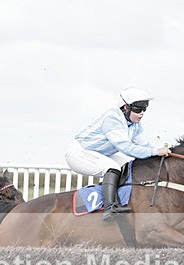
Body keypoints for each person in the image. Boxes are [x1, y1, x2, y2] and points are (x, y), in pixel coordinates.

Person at [65, 87, 171, 221]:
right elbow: (127, 148)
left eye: (144, 109)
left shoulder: (134, 124)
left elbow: (145, 145)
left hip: (98, 154)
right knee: (112, 167)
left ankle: (119, 198)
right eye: (138, 109)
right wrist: (155, 151)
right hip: (79, 153)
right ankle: (110, 208)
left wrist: (162, 150)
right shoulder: (112, 118)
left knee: (128, 165)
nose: (142, 113)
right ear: (126, 108)